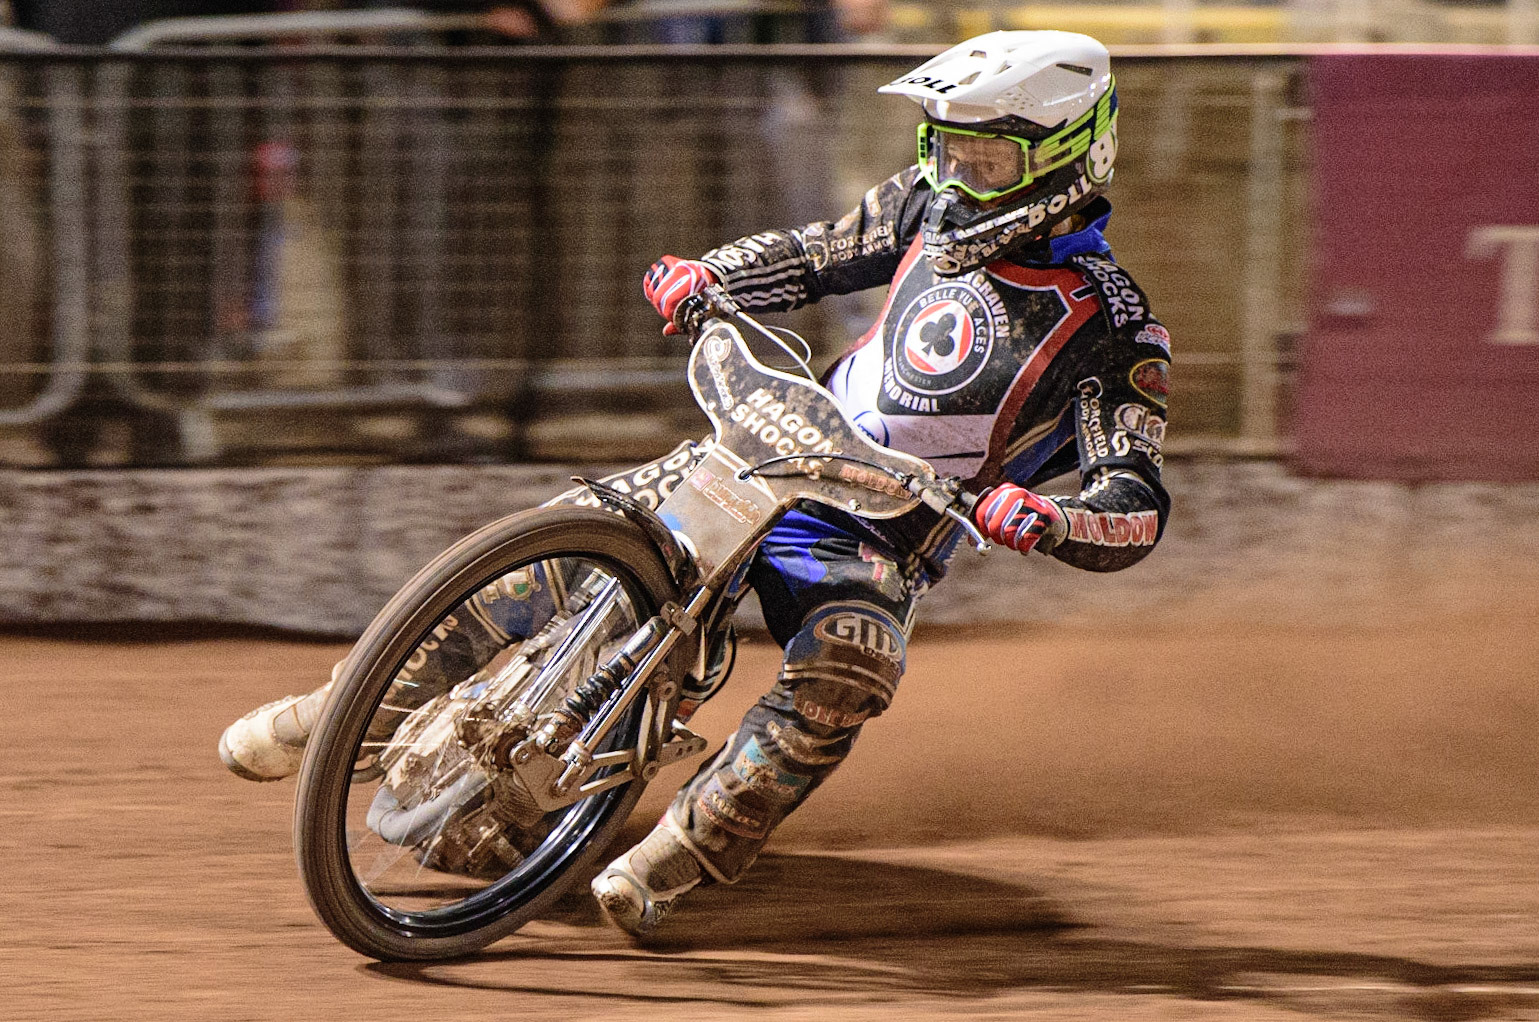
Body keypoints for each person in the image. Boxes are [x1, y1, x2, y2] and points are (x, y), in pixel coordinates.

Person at [220, 30, 1171, 940]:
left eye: (987, 164)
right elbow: (815, 252)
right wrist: (709, 276)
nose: (958, 180)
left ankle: (681, 854)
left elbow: (1133, 499)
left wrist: (1046, 516)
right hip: (767, 446)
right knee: (563, 546)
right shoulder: (921, 206)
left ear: (1069, 157)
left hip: (878, 529)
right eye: (945, 151)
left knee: (848, 669)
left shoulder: (1117, 330)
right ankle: (335, 714)